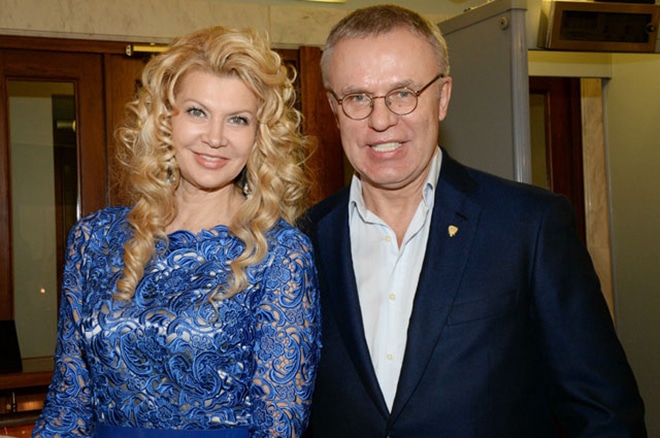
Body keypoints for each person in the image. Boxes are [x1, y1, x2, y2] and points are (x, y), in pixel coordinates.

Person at [300, 4, 646, 437]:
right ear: (334, 109)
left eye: (403, 93)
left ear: (443, 97)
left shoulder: (528, 227)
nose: (381, 120)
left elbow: (606, 416)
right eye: (357, 98)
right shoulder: (303, 241)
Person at [33, 25, 321, 438]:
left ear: (259, 135)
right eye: (197, 112)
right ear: (164, 118)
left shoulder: (280, 253)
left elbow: (279, 425)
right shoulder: (93, 239)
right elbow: (68, 402)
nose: (215, 138)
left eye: (238, 119)